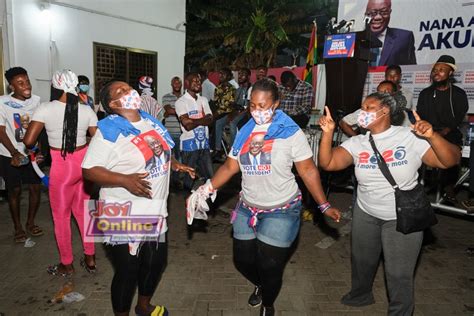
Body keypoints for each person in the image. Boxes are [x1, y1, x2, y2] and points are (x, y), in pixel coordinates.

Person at [191, 78, 341, 316]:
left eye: (263, 106)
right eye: (252, 105)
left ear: (276, 104)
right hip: (247, 206)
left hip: (281, 209)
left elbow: (308, 170)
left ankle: (268, 303)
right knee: (242, 260)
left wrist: (323, 205)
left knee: (269, 266)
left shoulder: (290, 132)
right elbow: (230, 167)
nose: (257, 111)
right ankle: (261, 284)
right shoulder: (244, 131)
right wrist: (206, 188)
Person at [318, 93, 460, 315]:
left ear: (385, 111)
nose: (362, 112)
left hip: (401, 214)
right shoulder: (358, 142)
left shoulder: (409, 137)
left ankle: (400, 312)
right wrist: (327, 134)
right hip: (366, 211)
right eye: (362, 107)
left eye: (368, 107)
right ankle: (361, 295)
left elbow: (450, 160)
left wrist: (432, 136)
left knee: (398, 273)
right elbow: (328, 163)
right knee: (362, 261)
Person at [82, 80, 194, 316]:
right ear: (112, 104)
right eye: (120, 92)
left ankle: (143, 306)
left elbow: (158, 150)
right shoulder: (108, 131)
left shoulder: (149, 121)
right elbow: (89, 170)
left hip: (154, 209)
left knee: (155, 263)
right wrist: (125, 180)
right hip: (121, 210)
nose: (129, 92)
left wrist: (174, 164)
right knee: (128, 271)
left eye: (129, 88)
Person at [23, 69, 97, 276]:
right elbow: (99, 140)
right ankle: (90, 258)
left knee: (61, 218)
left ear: (55, 86)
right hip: (83, 168)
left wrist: (34, 146)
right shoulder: (87, 109)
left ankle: (67, 263)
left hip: (62, 169)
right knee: (83, 213)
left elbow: (29, 141)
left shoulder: (45, 108)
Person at [417, 55, 468, 203]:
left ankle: (448, 187)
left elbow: (458, 118)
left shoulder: (458, 94)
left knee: (451, 150)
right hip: (428, 132)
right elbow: (422, 116)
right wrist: (430, 133)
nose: (436, 73)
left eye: (441, 70)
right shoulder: (425, 94)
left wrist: (443, 132)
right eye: (434, 70)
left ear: (450, 73)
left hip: (449, 132)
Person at [0, 67, 43, 243]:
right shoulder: (2, 102)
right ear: (12, 87)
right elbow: (1, 131)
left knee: (35, 188)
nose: (26, 86)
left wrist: (40, 150)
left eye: (27, 81)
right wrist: (14, 153)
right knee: (15, 191)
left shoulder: (37, 101)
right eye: (20, 83)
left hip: (31, 152)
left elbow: (41, 126)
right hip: (8, 153)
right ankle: (18, 227)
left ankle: (30, 222)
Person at [175, 72, 214, 190]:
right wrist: (203, 119)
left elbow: (210, 120)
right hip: (189, 145)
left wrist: (192, 120)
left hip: (204, 144)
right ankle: (186, 202)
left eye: (199, 81)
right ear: (187, 83)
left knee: (210, 178)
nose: (198, 83)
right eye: (195, 81)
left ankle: (209, 203)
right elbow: (187, 126)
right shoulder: (181, 102)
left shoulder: (203, 100)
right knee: (189, 178)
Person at [365, 0, 416, 66]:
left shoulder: (404, 38)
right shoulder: (354, 40)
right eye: (372, 13)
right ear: (366, 14)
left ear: (390, 12)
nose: (378, 17)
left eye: (383, 12)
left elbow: (411, 71)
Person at [213, 67, 236, 160]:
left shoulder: (232, 89)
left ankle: (218, 149)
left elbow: (230, 105)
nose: (221, 76)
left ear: (228, 76)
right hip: (218, 112)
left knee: (218, 123)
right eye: (220, 74)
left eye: (223, 74)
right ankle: (213, 148)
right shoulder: (217, 88)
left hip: (228, 113)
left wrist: (218, 113)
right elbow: (215, 103)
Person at [228, 68, 252, 138]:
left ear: (248, 77)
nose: (240, 76)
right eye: (239, 74)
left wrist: (239, 113)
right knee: (220, 122)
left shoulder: (251, 88)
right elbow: (234, 104)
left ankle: (234, 147)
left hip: (246, 112)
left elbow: (249, 107)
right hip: (238, 111)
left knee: (232, 123)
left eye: (243, 74)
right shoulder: (238, 90)